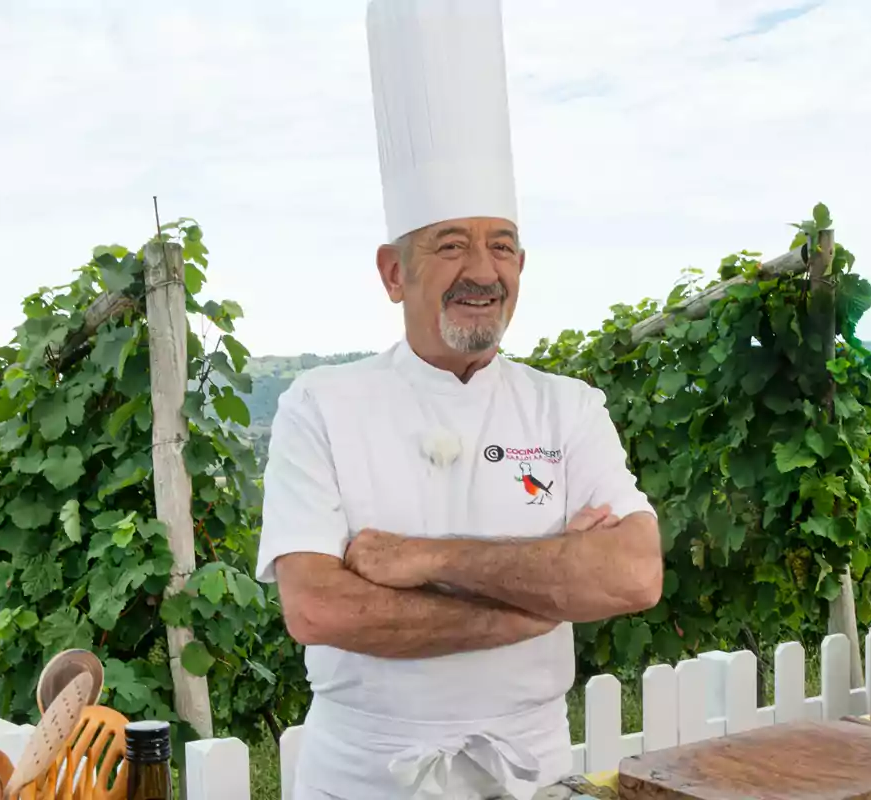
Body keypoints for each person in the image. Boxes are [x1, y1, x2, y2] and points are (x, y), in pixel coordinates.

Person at [254, 2, 663, 798]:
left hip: (531, 770)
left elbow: (632, 576)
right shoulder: (322, 405)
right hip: (367, 777)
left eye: (501, 245)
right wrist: (533, 605)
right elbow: (319, 609)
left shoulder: (569, 407)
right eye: (450, 244)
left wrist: (427, 559)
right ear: (393, 272)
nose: (484, 270)